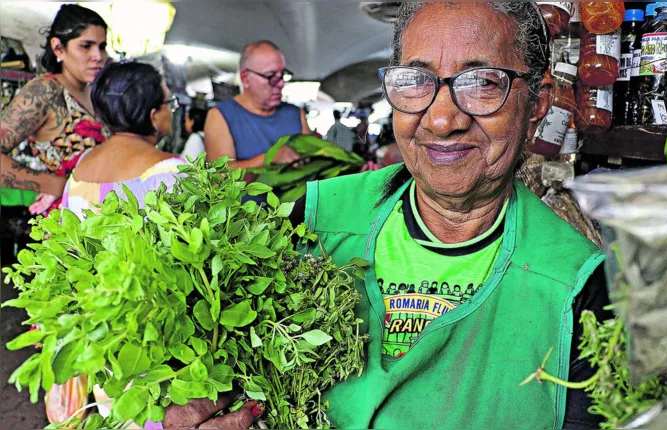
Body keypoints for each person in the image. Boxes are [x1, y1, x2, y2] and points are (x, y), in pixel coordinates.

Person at [164, 3, 609, 429]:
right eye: (416, 80)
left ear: (536, 104)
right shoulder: (315, 220)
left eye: (482, 82)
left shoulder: (578, 284)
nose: (441, 119)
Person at [0, 4, 109, 215]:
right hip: (66, 227)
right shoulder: (46, 91)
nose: (97, 55)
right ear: (58, 47)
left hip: (106, 221)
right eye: (86, 46)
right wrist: (55, 184)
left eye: (102, 46)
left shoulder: (100, 94)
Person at [61, 62, 185, 218]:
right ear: (154, 116)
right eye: (169, 103)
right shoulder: (172, 170)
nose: (171, 111)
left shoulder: (83, 163)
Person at [204, 40, 311, 172]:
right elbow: (219, 177)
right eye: (271, 76)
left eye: (282, 75)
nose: (281, 84)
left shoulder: (296, 114)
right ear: (245, 78)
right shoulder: (220, 116)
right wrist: (268, 159)